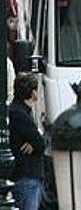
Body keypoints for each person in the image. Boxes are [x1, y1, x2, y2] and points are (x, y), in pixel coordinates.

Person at [10, 73, 44, 210]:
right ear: (33, 92)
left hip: (25, 175)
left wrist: (33, 142)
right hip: (27, 175)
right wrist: (35, 141)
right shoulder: (20, 114)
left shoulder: (18, 110)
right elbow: (40, 143)